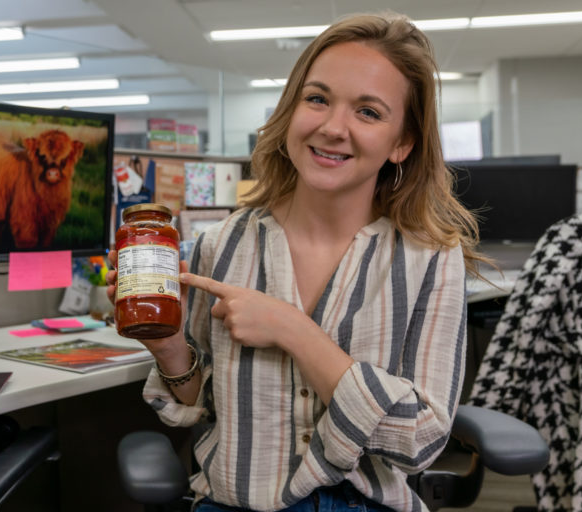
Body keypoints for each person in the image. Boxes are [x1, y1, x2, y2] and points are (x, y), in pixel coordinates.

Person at [107, 11, 488, 512]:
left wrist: (294, 330)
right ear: (291, 109)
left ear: (402, 144)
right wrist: (171, 349)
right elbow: (204, 407)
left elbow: (420, 439)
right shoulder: (220, 245)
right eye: (318, 99)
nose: (332, 127)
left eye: (368, 112)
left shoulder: (431, 258)